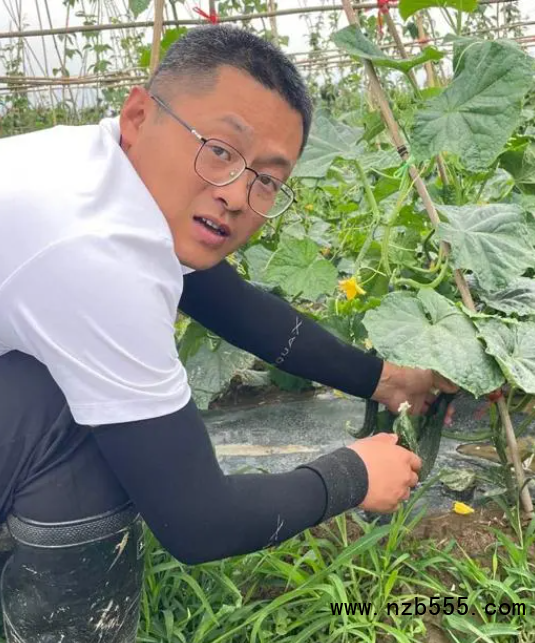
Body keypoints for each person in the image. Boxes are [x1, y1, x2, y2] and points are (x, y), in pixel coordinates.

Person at [0, 24, 456, 642]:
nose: (239, 195)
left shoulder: (100, 168)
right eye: (219, 149)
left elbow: (232, 303)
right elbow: (198, 522)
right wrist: (354, 475)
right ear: (139, 114)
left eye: (267, 180)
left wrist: (385, 379)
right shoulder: (97, 254)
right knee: (93, 426)